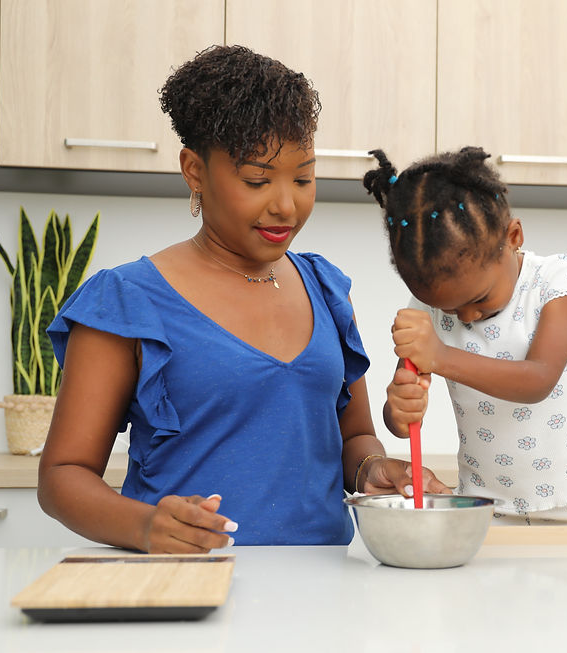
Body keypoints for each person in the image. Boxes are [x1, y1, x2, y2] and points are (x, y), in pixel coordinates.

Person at [38, 45, 448, 554]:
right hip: (188, 582)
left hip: (323, 586)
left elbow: (354, 438)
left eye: (303, 178)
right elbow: (62, 476)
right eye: (258, 180)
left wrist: (373, 469)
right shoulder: (127, 301)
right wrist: (145, 526)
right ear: (194, 170)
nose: (286, 205)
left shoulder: (325, 289)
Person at [363, 146, 567, 525]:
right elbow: (399, 420)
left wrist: (440, 356)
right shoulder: (426, 310)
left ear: (513, 236)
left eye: (479, 299)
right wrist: (399, 410)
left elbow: (538, 379)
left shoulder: (557, 281)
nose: (467, 317)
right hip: (484, 502)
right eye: (450, 309)